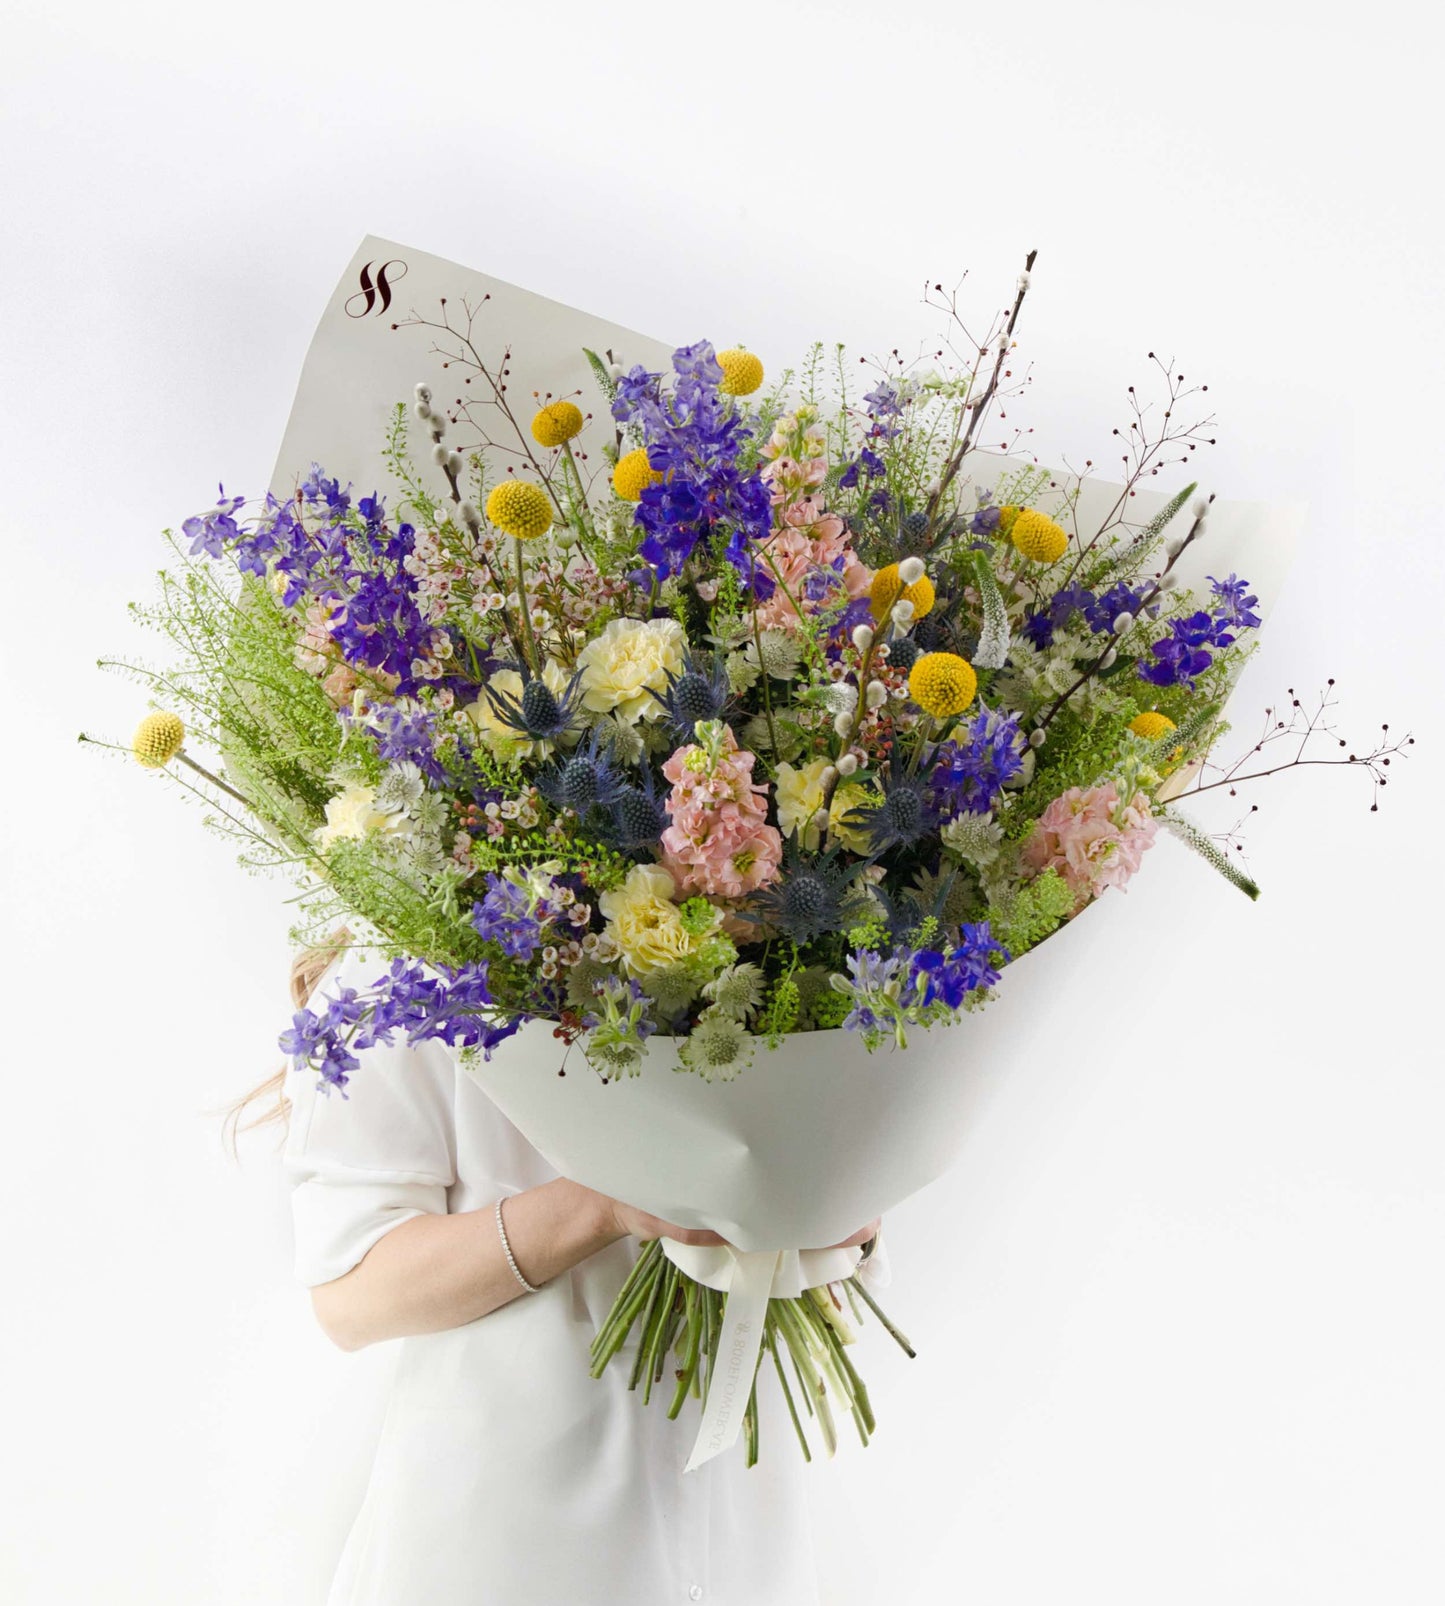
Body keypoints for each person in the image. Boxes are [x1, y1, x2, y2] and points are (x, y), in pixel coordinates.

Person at [245, 933, 882, 1605]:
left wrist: (829, 1203)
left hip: (741, 1508)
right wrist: (605, 1202)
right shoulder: (400, 964)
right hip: (513, 1532)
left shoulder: (761, 933)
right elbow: (350, 1295)